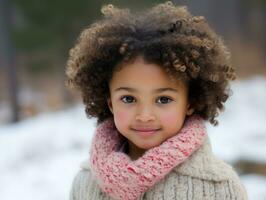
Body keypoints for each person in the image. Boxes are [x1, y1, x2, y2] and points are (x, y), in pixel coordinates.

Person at [66, 1, 248, 199]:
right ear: (110, 102)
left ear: (190, 102)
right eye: (128, 98)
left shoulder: (221, 188)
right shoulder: (84, 183)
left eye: (163, 99)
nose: (145, 116)